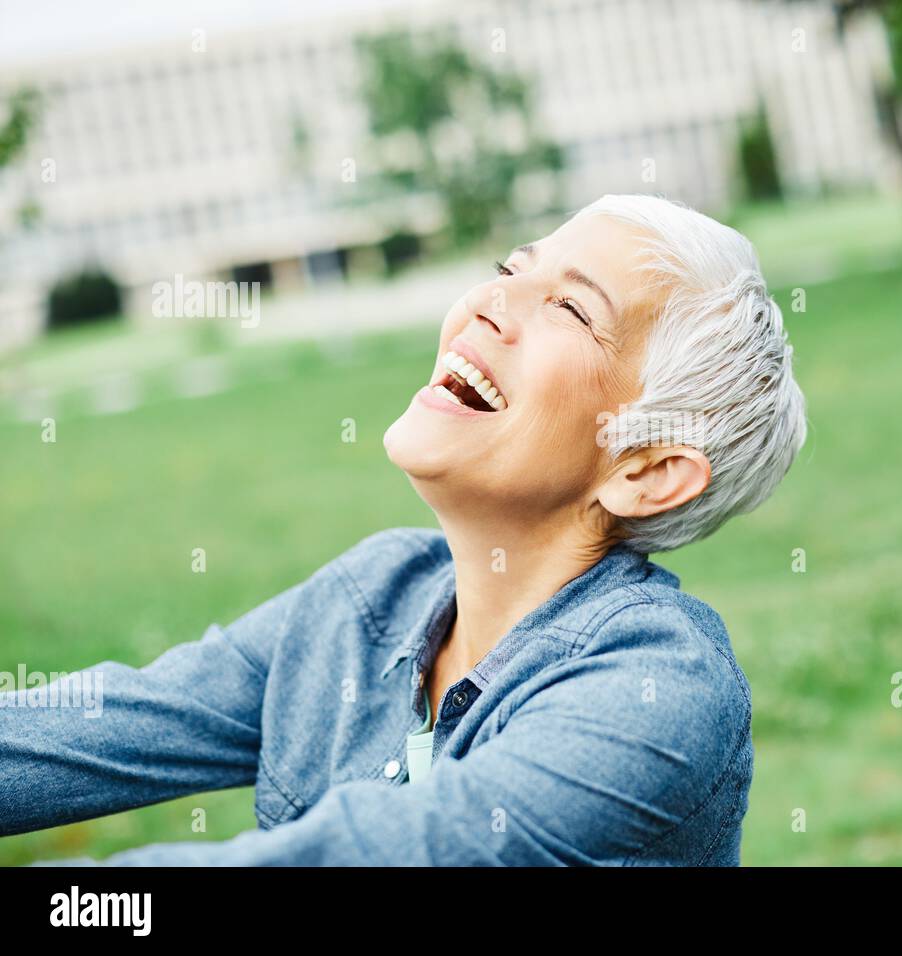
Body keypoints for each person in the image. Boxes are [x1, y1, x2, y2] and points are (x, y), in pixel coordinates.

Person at [1, 193, 807, 865]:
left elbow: (381, 851)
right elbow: (100, 728)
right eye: (508, 271)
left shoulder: (658, 686)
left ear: (645, 469)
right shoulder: (370, 599)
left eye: (568, 307)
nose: (489, 304)